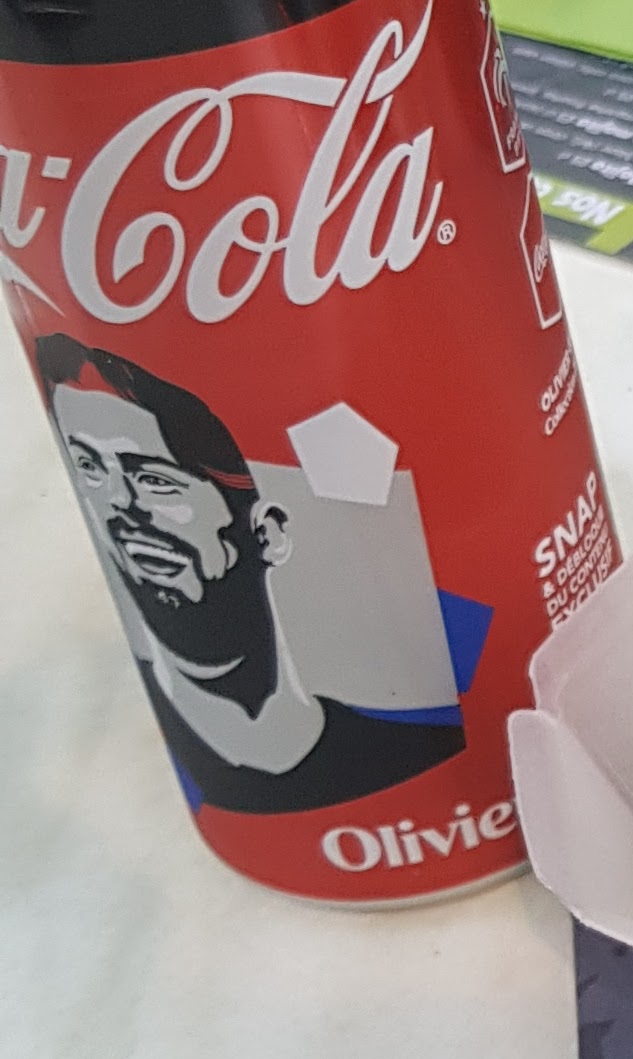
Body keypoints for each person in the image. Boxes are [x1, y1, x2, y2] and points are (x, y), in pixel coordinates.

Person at [37, 339, 465, 817]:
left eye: (155, 479)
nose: (118, 503)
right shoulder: (115, 784)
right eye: (89, 468)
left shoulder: (416, 747)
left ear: (268, 534)